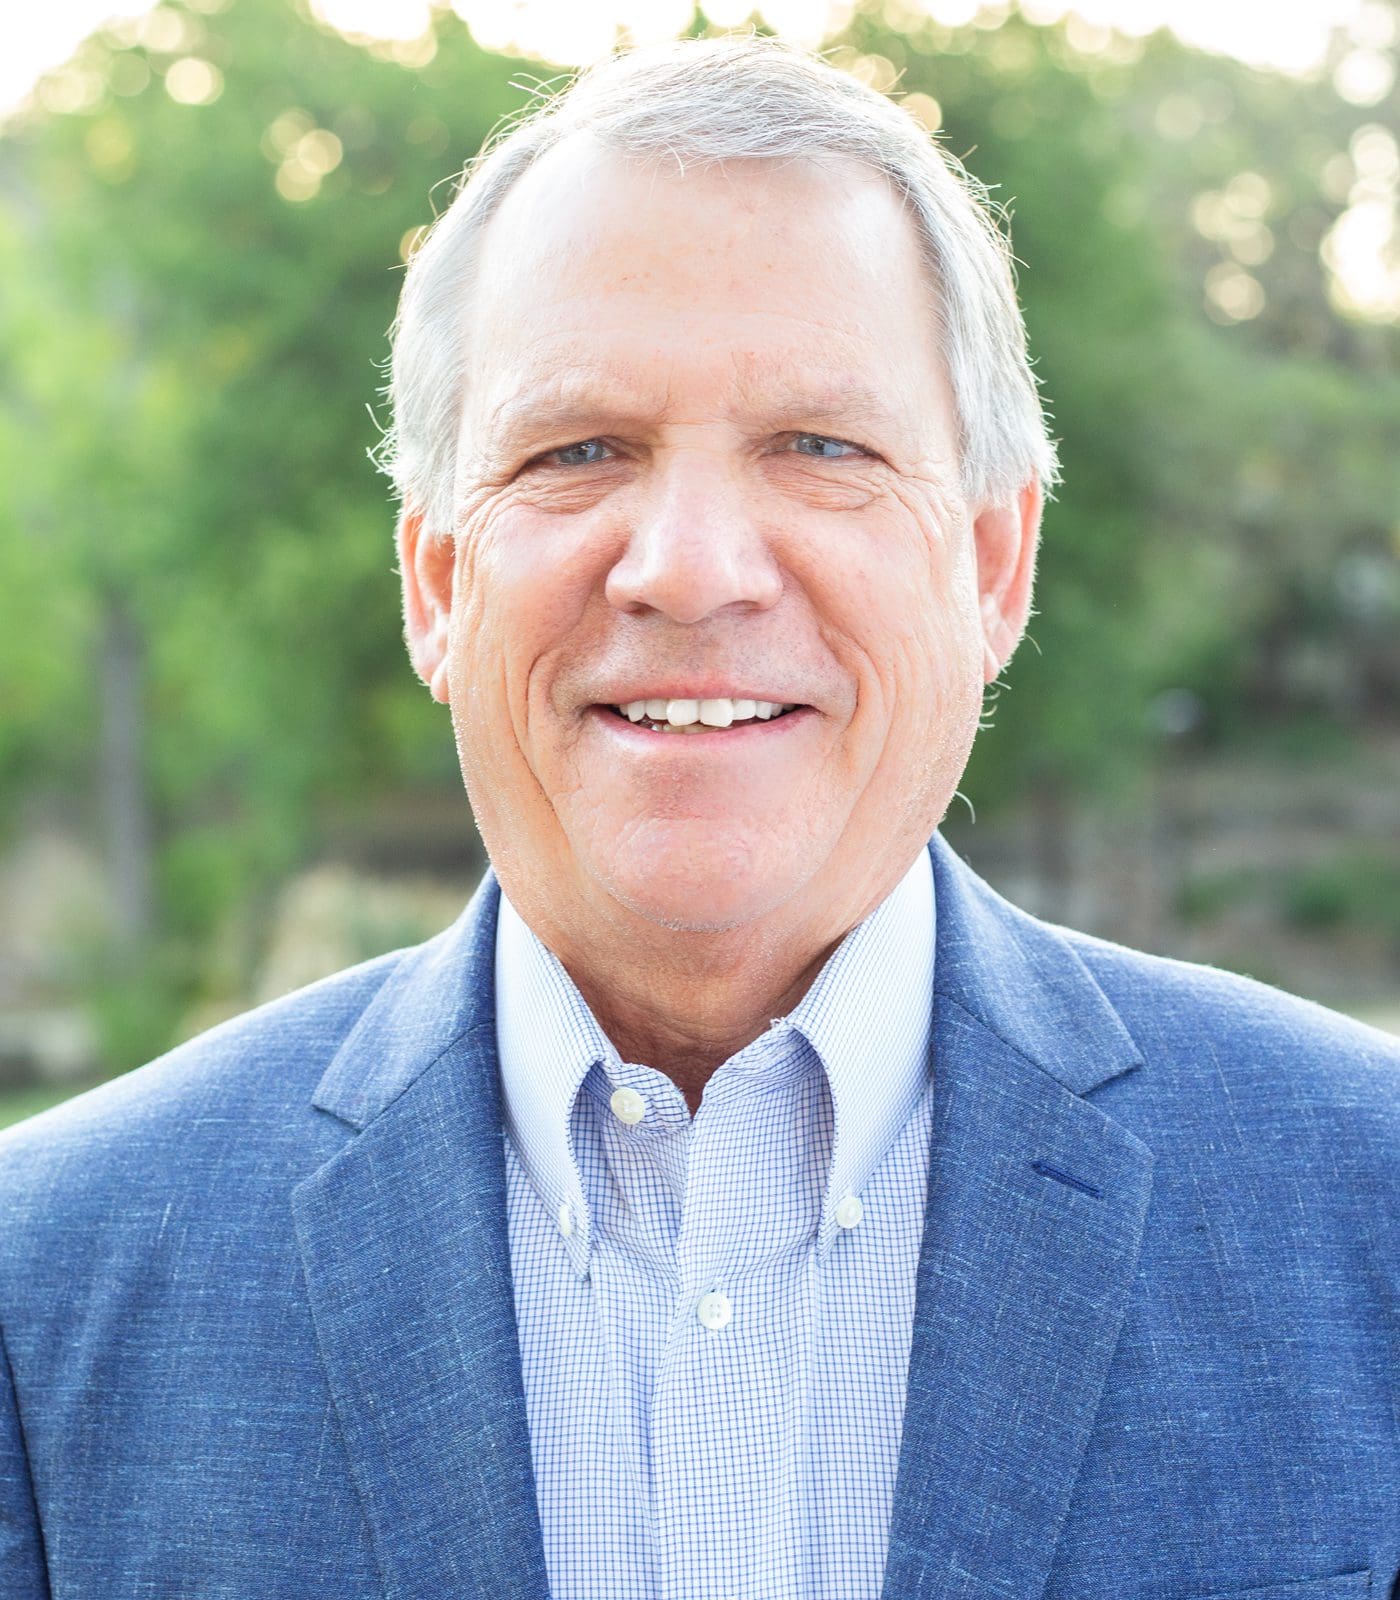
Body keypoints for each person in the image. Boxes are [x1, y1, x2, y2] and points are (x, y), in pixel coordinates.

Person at [1, 33, 1396, 1600]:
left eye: (821, 447)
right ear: (439, 586)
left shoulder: (1369, 1212)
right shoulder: (47, 1288)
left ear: (993, 567)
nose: (690, 566)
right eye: (579, 450)